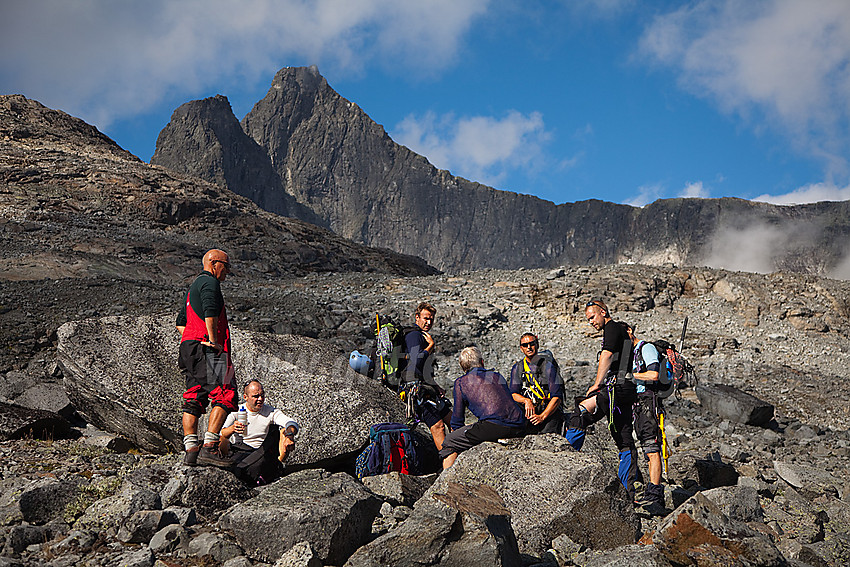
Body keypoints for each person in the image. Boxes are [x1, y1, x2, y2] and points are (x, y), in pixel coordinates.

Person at [563, 300, 639, 501]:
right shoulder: (620, 332)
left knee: (580, 411)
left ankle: (565, 460)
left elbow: (605, 356)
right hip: (626, 390)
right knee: (623, 437)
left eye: (592, 317)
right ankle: (627, 492)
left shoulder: (612, 328)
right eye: (588, 319)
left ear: (603, 312)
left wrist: (596, 384)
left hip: (617, 388)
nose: (591, 322)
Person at [176, 249, 238, 467]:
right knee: (226, 392)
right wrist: (213, 341)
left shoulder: (193, 286)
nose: (228, 271)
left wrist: (192, 340)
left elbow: (180, 322)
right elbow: (211, 311)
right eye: (226, 266)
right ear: (214, 263)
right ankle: (210, 447)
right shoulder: (210, 283)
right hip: (208, 348)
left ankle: (191, 449)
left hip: (189, 348)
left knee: (194, 396)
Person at [440, 346, 526, 469]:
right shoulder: (497, 376)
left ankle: (444, 483)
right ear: (482, 362)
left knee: (449, 441)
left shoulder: (461, 383)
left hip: (495, 426)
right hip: (519, 424)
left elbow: (457, 420)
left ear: (463, 367)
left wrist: (459, 436)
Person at [219, 379, 299, 485]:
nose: (260, 399)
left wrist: (289, 435)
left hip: (262, 452)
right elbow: (222, 434)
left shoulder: (270, 412)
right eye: (255, 396)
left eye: (262, 395)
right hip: (240, 451)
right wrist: (233, 428)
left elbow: (290, 423)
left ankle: (276, 467)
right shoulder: (236, 412)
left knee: (281, 431)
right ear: (245, 397)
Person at [401, 302, 452, 451]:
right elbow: (416, 359)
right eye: (425, 318)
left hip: (424, 385)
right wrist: (430, 347)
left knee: (453, 420)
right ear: (417, 317)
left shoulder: (419, 334)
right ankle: (447, 459)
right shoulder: (414, 335)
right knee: (438, 426)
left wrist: (434, 385)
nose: (428, 322)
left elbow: (421, 368)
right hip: (414, 387)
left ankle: (459, 456)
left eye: (431, 319)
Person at [625, 324, 666, 507]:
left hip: (649, 402)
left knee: (652, 446)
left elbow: (654, 374)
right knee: (647, 448)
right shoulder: (632, 352)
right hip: (639, 404)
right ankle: (651, 490)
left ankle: (656, 492)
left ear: (629, 332)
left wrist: (632, 376)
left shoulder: (646, 348)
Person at [509, 333, 564, 434]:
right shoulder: (517, 368)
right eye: (525, 345)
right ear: (521, 348)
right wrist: (526, 401)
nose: (529, 347)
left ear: (537, 345)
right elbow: (513, 394)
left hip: (549, 410)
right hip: (530, 410)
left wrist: (542, 417)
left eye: (532, 344)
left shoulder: (548, 366)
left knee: (547, 436)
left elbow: (557, 397)